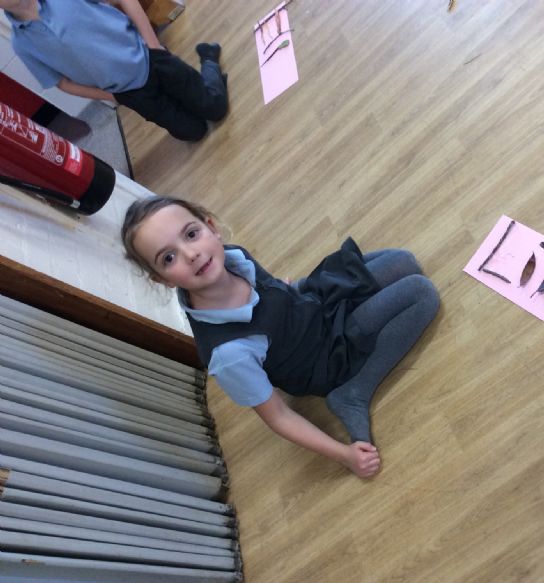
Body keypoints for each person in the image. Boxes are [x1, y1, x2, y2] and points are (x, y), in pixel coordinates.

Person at [121, 196, 440, 478]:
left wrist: (287, 293)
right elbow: (280, 417)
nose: (191, 254)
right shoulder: (228, 354)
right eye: (169, 257)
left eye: (191, 234)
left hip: (311, 307)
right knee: (420, 293)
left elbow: (269, 290)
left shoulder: (231, 256)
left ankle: (342, 314)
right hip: (325, 356)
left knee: (404, 262)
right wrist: (345, 455)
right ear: (162, 279)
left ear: (211, 227)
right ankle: (353, 391)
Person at [2, 0, 228, 142]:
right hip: (128, 93)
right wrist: (111, 96)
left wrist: (153, 45)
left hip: (151, 59)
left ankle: (208, 59)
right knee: (194, 132)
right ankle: (189, 102)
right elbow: (62, 83)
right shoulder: (22, 45)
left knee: (215, 108)